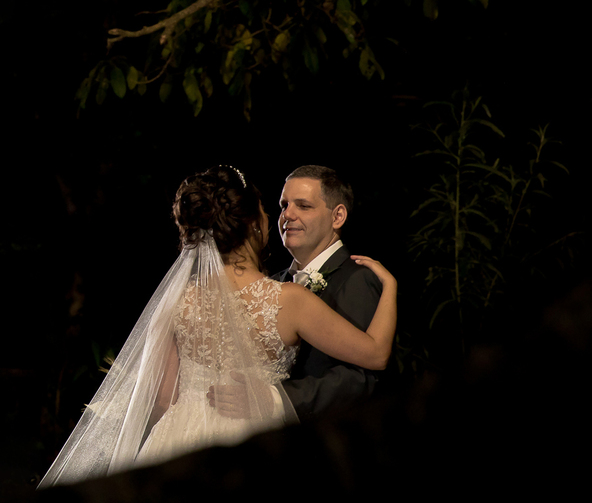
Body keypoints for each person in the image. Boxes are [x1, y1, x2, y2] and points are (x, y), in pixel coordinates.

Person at [37, 166, 396, 488]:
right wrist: (392, 287)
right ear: (252, 223)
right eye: (275, 207)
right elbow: (377, 354)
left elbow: (162, 399)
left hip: (177, 441)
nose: (283, 215)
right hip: (252, 443)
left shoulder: (177, 300)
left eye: (300, 205)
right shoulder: (286, 298)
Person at [208, 165, 383, 422]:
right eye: (284, 205)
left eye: (303, 206)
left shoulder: (357, 277)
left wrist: (276, 399)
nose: (287, 214)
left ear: (337, 217)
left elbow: (360, 377)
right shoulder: (273, 285)